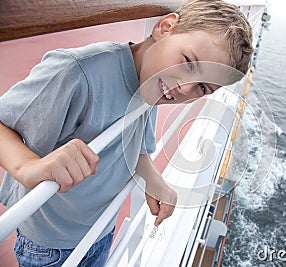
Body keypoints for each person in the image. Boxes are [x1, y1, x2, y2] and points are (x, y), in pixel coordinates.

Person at [0, 0, 253, 266]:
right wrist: (28, 166)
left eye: (202, 87)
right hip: (50, 243)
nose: (184, 88)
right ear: (165, 27)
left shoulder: (155, 84)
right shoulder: (76, 72)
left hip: (102, 228)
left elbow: (134, 144)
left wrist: (153, 179)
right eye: (189, 62)